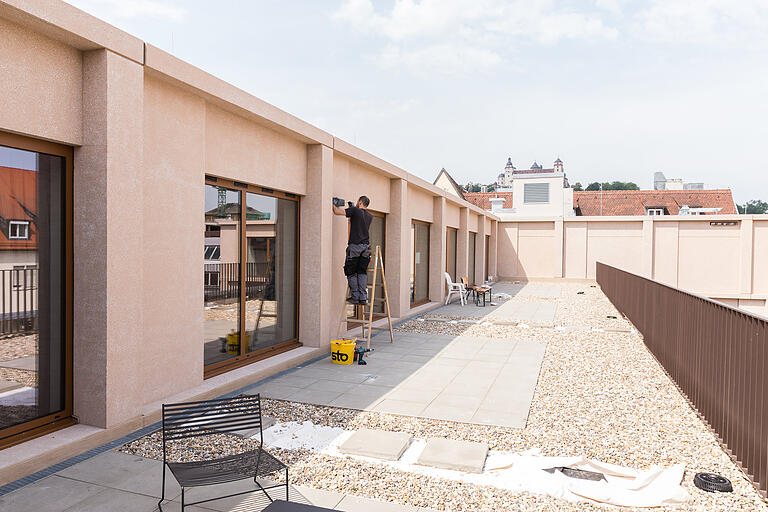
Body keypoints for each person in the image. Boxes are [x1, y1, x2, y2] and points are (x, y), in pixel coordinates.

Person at [333, 196, 373, 304]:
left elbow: (336, 212)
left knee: (350, 272)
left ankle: (355, 297)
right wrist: (351, 209)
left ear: (360, 202)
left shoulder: (355, 211)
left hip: (355, 247)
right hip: (366, 248)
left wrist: (332, 202)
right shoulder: (370, 216)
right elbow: (355, 222)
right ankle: (363, 298)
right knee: (361, 272)